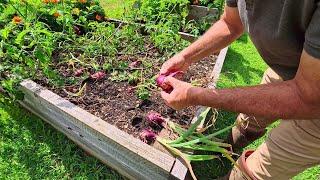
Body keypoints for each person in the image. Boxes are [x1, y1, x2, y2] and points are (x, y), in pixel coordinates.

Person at [159, 0, 320, 179]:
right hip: (293, 66)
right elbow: (231, 23)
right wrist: (185, 57)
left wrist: (196, 96)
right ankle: (230, 146)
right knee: (251, 117)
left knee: (259, 170)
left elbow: (307, 97)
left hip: (316, 102)